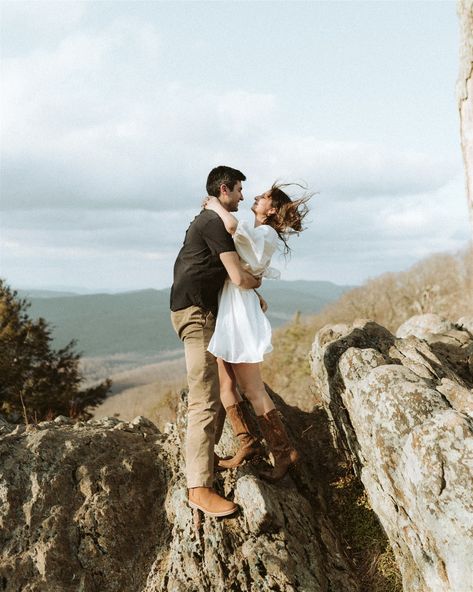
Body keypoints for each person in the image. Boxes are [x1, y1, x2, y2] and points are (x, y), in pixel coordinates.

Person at [170, 165, 262, 517]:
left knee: (217, 388)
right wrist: (258, 284)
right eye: (239, 190)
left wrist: (216, 207)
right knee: (205, 399)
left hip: (199, 311)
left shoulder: (211, 218)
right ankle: (199, 489)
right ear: (225, 189)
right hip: (196, 316)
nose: (242, 196)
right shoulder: (213, 223)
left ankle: (206, 462)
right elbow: (238, 277)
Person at [204, 183, 310, 481]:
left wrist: (214, 206)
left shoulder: (266, 233)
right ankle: (247, 443)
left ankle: (283, 450)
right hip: (232, 304)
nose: (255, 198)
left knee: (252, 388)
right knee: (226, 383)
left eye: (262, 197)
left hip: (238, 309)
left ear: (272, 209)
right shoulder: (261, 234)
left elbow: (234, 227)